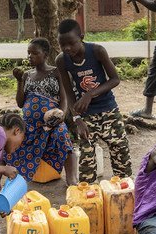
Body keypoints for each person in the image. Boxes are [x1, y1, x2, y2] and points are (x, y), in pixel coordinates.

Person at [56, 19, 132, 183]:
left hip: (109, 109)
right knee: (87, 164)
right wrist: (77, 119)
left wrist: (89, 94)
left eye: (71, 43)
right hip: (85, 115)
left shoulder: (97, 51)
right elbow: (69, 93)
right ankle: (89, 199)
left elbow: (114, 79)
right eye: (62, 45)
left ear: (81, 37)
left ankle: (123, 192)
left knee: (121, 154)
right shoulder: (62, 60)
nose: (67, 48)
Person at [5, 38, 77, 183]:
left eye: (34, 53)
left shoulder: (56, 72)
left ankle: (72, 178)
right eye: (28, 53)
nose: (30, 56)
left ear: (45, 54)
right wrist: (19, 81)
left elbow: (64, 99)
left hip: (51, 122)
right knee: (6, 138)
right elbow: (20, 103)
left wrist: (60, 116)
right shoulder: (26, 75)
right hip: (28, 124)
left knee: (62, 134)